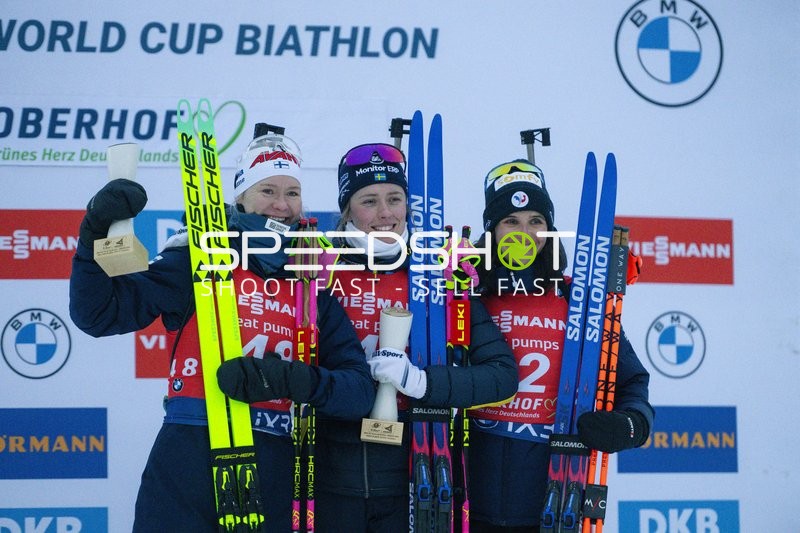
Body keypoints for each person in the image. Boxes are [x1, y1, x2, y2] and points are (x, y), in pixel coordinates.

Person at [69, 128, 375, 532]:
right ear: (241, 197)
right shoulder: (200, 259)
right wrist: (95, 231)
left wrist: (290, 379)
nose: (281, 205)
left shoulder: (313, 280)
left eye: (292, 193)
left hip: (277, 467)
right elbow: (100, 312)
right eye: (268, 190)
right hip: (189, 462)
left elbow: (358, 392)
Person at [314, 142, 519, 532]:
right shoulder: (319, 270)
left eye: (395, 198)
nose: (385, 213)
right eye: (369, 200)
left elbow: (502, 376)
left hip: (414, 481)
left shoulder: (440, 276)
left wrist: (421, 381)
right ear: (347, 209)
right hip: (326, 479)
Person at [467, 159, 655, 532]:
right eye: (511, 221)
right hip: (466, 499)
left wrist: (630, 425)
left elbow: (631, 381)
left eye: (536, 221)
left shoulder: (577, 299)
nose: (525, 233)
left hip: (554, 499)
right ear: (492, 231)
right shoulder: (468, 294)